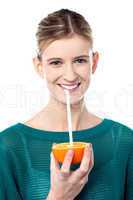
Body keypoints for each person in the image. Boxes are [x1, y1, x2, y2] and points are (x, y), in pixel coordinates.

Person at [0, 8, 133, 200]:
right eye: (56, 62)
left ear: (94, 62)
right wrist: (59, 196)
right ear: (39, 66)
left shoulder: (124, 141)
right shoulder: (8, 147)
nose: (70, 75)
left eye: (79, 60)